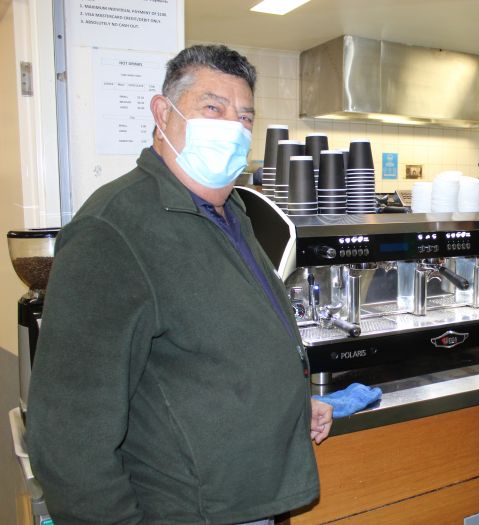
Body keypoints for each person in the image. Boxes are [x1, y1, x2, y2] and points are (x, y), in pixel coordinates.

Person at [26, 44, 333, 524]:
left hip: (244, 494)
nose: (233, 127)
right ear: (162, 112)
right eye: (213, 108)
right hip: (187, 509)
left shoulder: (230, 211)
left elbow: (207, 353)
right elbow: (68, 434)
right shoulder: (113, 230)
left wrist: (290, 405)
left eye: (245, 117)